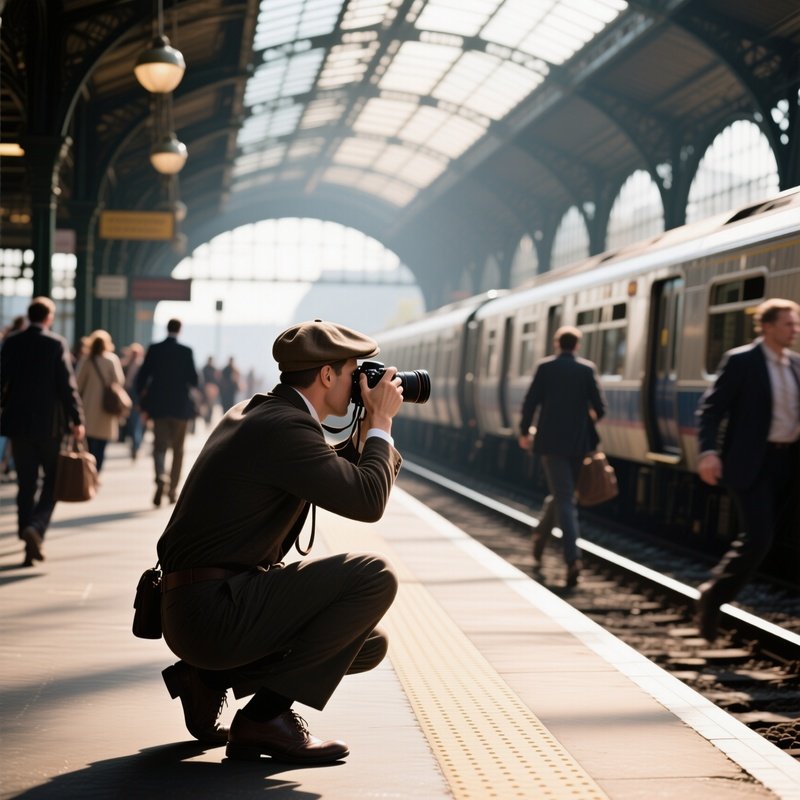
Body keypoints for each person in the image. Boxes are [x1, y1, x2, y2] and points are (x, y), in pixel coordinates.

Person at [156, 320, 403, 763]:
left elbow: (336, 476)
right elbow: (367, 501)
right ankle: (263, 720)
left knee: (367, 642)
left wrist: (370, 430)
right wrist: (381, 422)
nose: (360, 383)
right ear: (327, 375)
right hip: (212, 613)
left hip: (199, 606)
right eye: (354, 372)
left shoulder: (262, 413)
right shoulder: (283, 429)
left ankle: (207, 679)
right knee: (374, 577)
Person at [696, 298, 800, 641]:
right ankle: (714, 597)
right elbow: (711, 410)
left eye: (796, 323)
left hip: (788, 462)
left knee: (769, 539)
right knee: (757, 538)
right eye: (788, 324)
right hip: (752, 463)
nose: (795, 330)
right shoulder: (742, 361)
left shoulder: (796, 366)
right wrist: (709, 453)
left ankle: (716, 594)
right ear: (766, 326)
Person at [517, 326, 606, 588]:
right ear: (577, 345)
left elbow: (530, 402)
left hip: (550, 443)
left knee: (563, 497)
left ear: (557, 343)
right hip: (579, 445)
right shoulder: (586, 370)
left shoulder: (545, 368)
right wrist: (582, 422)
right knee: (565, 495)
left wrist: (525, 432)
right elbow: (600, 408)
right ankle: (546, 543)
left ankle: (571, 559)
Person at [0, 297, 85, 565]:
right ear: (48, 317)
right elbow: (67, 386)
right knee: (53, 481)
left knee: (26, 483)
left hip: (18, 424)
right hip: (50, 426)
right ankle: (36, 527)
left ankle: (27, 531)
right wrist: (77, 419)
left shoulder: (12, 342)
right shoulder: (55, 344)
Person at [135, 319, 199, 507]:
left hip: (159, 407)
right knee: (178, 450)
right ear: (180, 330)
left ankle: (160, 476)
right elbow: (194, 380)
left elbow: (142, 377)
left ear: (167, 328)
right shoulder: (186, 351)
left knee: (159, 446)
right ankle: (172, 490)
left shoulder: (154, 349)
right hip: (180, 407)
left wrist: (143, 400)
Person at [76, 330, 129, 472]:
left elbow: (78, 383)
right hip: (107, 408)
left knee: (89, 444)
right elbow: (119, 381)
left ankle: (88, 472)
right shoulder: (112, 359)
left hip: (89, 407)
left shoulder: (87, 360)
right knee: (101, 445)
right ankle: (96, 473)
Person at [122, 343, 146, 460]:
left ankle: (136, 445)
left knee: (136, 423)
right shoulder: (125, 365)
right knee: (131, 423)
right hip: (125, 398)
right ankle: (133, 443)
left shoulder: (142, 366)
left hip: (136, 399)